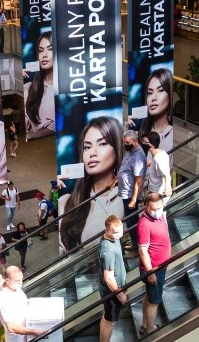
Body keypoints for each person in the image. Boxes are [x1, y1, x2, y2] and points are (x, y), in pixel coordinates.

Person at [58, 117, 124, 253]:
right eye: (87, 147)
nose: (92, 153)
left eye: (102, 144)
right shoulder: (66, 202)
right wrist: (54, 190)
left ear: (117, 148)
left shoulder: (125, 198)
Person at [137, 193, 171, 336]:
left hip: (160, 266)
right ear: (146, 206)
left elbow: (167, 193)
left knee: (150, 296)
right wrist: (150, 273)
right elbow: (142, 250)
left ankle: (145, 324)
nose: (157, 211)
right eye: (153, 209)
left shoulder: (161, 213)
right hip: (153, 269)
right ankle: (150, 329)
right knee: (154, 301)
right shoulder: (144, 224)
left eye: (159, 208)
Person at [97, 214, 127, 342]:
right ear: (106, 230)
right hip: (112, 292)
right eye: (115, 232)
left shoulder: (111, 239)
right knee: (110, 321)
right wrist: (120, 294)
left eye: (120, 231)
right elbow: (108, 277)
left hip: (109, 291)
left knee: (106, 318)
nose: (119, 234)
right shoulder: (108, 250)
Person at [23, 32, 55, 137]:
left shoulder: (67, 88)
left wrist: (34, 135)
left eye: (50, 49)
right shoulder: (28, 89)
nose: (44, 55)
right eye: (41, 51)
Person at [119, 129, 146, 250]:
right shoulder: (129, 152)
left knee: (132, 221)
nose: (125, 145)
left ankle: (137, 246)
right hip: (125, 192)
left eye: (127, 142)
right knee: (131, 220)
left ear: (135, 141)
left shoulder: (138, 156)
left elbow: (138, 180)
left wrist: (134, 199)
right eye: (124, 142)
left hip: (130, 194)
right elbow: (123, 169)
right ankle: (136, 242)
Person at [136, 68, 174, 153]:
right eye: (150, 93)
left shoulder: (172, 136)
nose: (153, 98)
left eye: (160, 90)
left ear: (170, 94)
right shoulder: (142, 131)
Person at [142, 131, 172, 204]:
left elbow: (166, 175)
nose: (143, 144)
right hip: (154, 191)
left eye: (146, 142)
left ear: (153, 144)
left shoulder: (158, 159)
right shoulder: (160, 153)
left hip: (157, 194)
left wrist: (168, 188)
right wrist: (151, 163)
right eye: (143, 141)